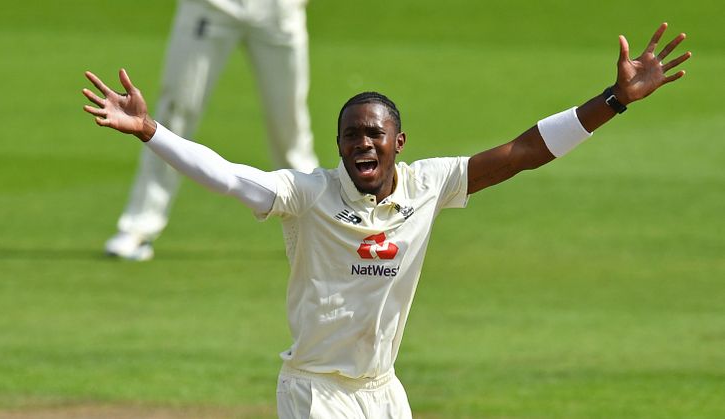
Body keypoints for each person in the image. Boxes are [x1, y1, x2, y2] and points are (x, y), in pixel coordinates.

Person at [82, 23, 690, 418]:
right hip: (315, 391)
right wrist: (151, 131)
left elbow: (524, 152)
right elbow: (227, 175)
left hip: (383, 391)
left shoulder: (430, 185)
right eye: (351, 137)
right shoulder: (308, 194)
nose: (362, 146)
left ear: (399, 141)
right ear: (339, 145)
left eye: (374, 135)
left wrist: (612, 102)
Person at [105, 0, 319, 261]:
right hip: (211, 6)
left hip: (276, 8)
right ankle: (139, 225)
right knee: (176, 111)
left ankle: (319, 222)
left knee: (289, 119)